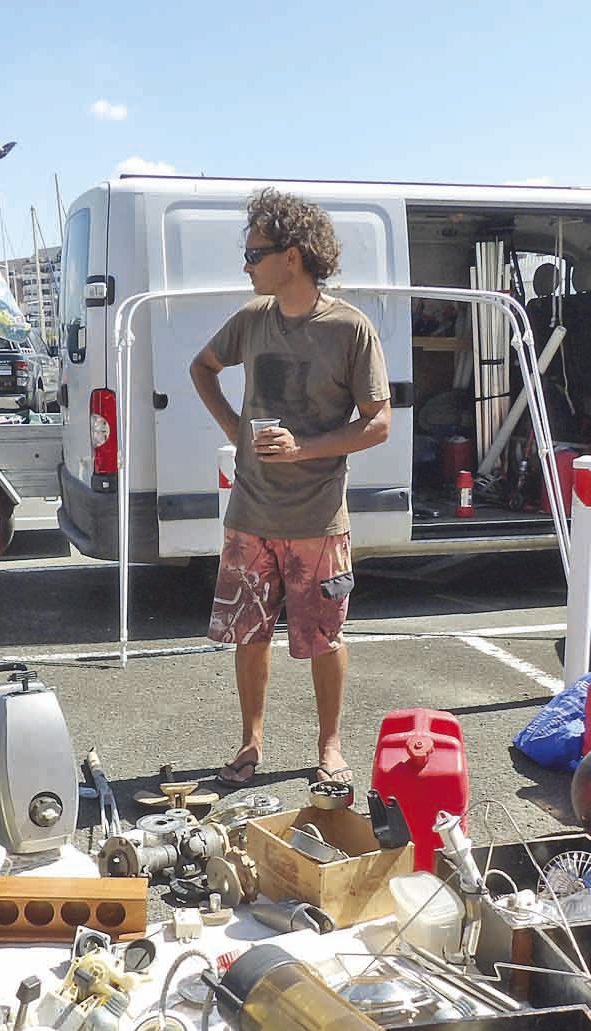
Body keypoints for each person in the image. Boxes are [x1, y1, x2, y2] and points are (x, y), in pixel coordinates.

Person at [189, 189, 391, 790]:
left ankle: (329, 746)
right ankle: (249, 745)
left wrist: (304, 449)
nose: (245, 265)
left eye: (254, 253)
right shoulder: (252, 321)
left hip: (318, 519)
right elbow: (202, 367)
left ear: (293, 256)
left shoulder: (350, 328)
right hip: (251, 513)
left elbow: (378, 423)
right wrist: (234, 429)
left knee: (324, 639)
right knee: (248, 637)